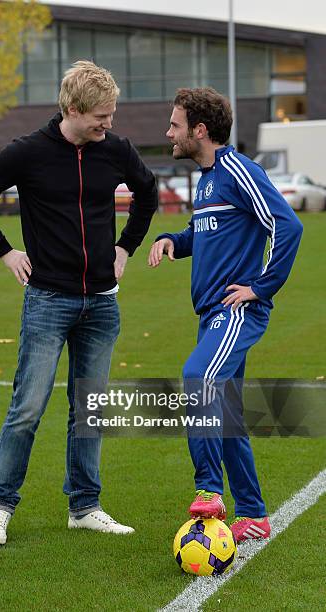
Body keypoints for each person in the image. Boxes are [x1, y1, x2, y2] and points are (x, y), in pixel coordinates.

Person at [0, 60, 158, 544]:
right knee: (28, 406)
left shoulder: (115, 151)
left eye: (111, 116)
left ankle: (85, 506)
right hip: (48, 299)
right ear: (73, 108)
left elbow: (148, 194)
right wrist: (5, 252)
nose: (108, 125)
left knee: (88, 408)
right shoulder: (27, 152)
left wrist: (125, 247)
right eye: (101, 117)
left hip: (102, 303)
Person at [148, 87, 303, 542]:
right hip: (211, 314)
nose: (168, 132)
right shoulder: (207, 179)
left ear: (200, 130)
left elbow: (287, 225)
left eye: (175, 125)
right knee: (229, 415)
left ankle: (209, 489)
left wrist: (260, 287)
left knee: (198, 377)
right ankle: (253, 513)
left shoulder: (237, 169)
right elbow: (204, 230)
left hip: (234, 312)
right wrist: (174, 240)